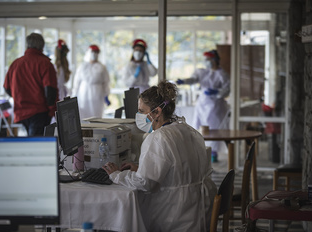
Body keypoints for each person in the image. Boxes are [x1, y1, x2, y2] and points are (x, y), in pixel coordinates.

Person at [102, 81, 217, 232]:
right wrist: (139, 168)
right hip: (198, 210)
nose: (138, 116)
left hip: (175, 215)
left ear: (156, 112)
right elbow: (179, 169)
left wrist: (117, 175)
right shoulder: (188, 130)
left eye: (142, 111)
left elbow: (145, 183)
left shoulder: (158, 138)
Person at [176, 49, 230, 162]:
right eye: (206, 60)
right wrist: (184, 81)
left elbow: (227, 89)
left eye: (209, 59)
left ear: (215, 60)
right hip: (202, 103)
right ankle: (200, 151)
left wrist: (217, 93)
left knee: (214, 129)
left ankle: (213, 153)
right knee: (199, 127)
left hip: (216, 105)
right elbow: (194, 79)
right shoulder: (204, 72)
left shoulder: (222, 74)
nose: (207, 62)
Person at [3, 33, 58, 136]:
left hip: (21, 112)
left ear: (27, 45)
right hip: (40, 112)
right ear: (42, 46)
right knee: (36, 146)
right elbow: (50, 91)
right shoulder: (45, 64)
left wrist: (20, 97)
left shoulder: (16, 64)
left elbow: (7, 88)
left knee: (30, 142)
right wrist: (52, 110)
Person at [72, 44, 110, 121]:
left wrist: (106, 94)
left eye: (96, 52)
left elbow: (106, 82)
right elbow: (76, 82)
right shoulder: (82, 66)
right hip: (83, 95)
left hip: (97, 95)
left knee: (96, 116)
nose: (94, 54)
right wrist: (73, 95)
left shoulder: (102, 67)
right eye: (92, 52)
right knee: (83, 116)